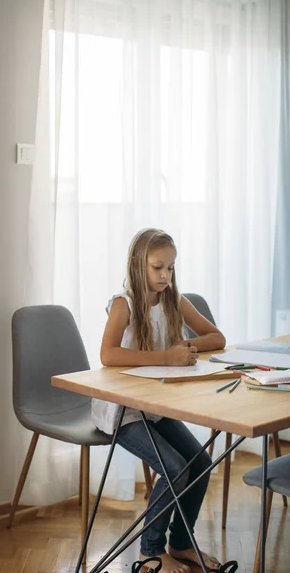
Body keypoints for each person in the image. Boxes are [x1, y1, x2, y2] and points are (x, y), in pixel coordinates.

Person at [92, 228, 226, 573]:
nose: (166, 275)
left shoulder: (174, 300)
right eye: (158, 267)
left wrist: (186, 350)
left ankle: (181, 543)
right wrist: (166, 358)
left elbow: (217, 336)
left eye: (171, 268)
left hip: (154, 409)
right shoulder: (124, 304)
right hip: (123, 412)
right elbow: (108, 354)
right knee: (174, 468)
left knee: (200, 462)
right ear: (139, 265)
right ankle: (149, 552)